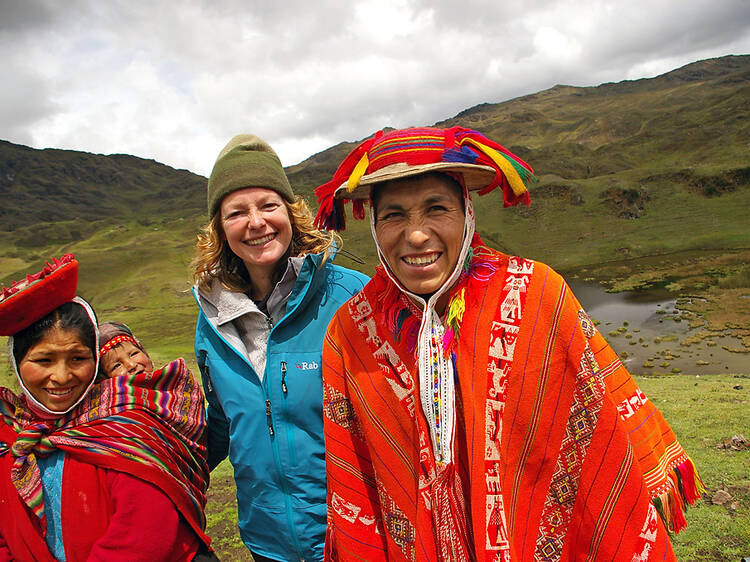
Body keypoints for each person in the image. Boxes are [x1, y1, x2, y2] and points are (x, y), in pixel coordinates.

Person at [314, 127, 703, 561]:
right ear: (373, 224)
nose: (417, 235)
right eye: (394, 215)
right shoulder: (350, 332)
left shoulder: (536, 293)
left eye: (435, 209)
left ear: (467, 213)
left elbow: (595, 426)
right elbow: (358, 474)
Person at [192, 134, 369, 561]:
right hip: (267, 540)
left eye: (268, 206)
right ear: (220, 227)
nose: (256, 222)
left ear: (291, 213)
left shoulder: (351, 295)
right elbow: (221, 422)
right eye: (237, 212)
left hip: (353, 535)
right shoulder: (213, 317)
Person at [0, 254, 215, 561]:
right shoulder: (7, 431)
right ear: (18, 365)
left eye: (77, 359)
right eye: (43, 360)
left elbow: (145, 531)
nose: (61, 377)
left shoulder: (126, 420)